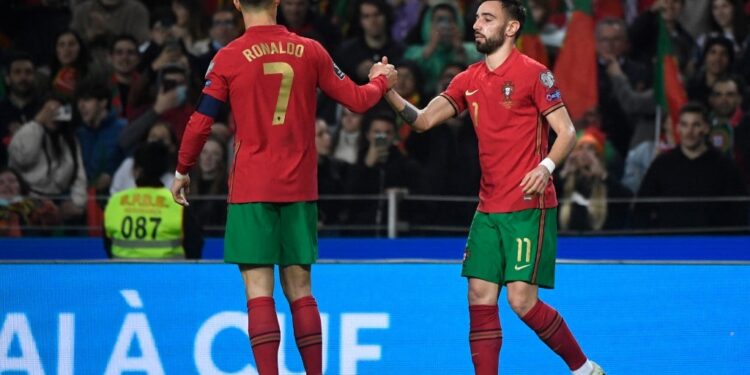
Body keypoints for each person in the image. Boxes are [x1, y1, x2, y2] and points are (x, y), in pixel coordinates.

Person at [169, 1, 397, 374]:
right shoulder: (311, 50)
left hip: (251, 187)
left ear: (237, 3)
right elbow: (358, 100)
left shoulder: (228, 57)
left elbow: (200, 123)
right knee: (301, 291)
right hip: (299, 187)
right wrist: (382, 79)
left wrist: (182, 169)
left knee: (259, 294)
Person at [383, 1, 604, 374]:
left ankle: (584, 369)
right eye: (476, 18)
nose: (477, 25)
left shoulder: (535, 74)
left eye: (488, 19)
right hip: (487, 210)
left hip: (527, 206)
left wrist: (546, 167)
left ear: (512, 27)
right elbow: (421, 121)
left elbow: (567, 131)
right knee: (479, 296)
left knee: (522, 302)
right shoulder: (468, 79)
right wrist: (388, 91)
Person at [635, 102, 747, 229]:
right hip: (670, 242)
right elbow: (641, 209)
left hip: (712, 242)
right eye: (684, 125)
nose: (689, 132)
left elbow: (740, 211)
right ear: (678, 128)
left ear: (706, 128)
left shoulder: (724, 166)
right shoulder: (662, 164)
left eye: (696, 125)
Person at [104, 142, 203, 259]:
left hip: (124, 274)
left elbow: (108, 244)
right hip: (169, 275)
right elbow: (194, 246)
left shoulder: (116, 202)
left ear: (136, 169)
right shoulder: (177, 203)